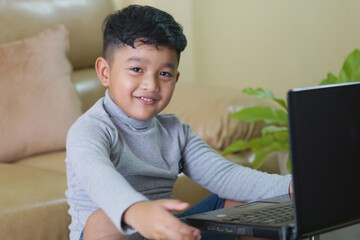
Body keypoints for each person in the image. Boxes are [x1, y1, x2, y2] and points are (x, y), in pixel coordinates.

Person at [65, 4, 292, 240]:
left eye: (164, 74)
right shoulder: (89, 129)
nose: (151, 85)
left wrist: (291, 186)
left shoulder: (175, 132)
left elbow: (226, 175)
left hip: (166, 233)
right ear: (104, 72)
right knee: (104, 221)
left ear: (176, 78)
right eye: (136, 69)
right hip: (112, 234)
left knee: (245, 202)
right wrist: (138, 211)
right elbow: (98, 177)